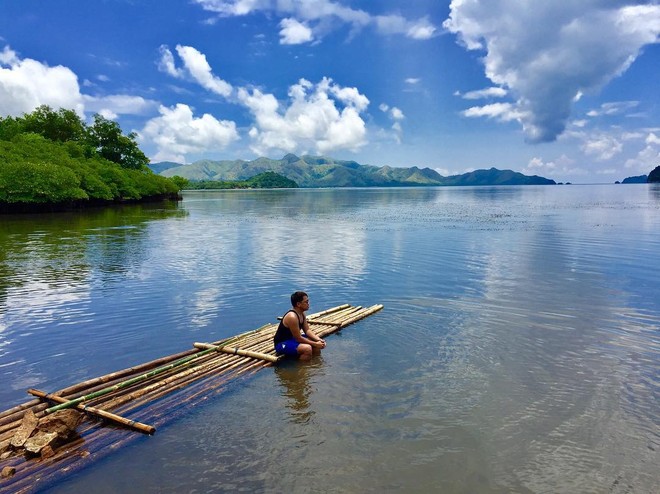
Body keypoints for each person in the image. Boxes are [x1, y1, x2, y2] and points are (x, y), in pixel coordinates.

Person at [274, 291, 326, 360]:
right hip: (282, 344)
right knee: (307, 349)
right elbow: (298, 338)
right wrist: (315, 344)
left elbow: (307, 330)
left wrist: (319, 340)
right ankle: (301, 368)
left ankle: (315, 364)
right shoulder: (292, 317)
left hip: (292, 339)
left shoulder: (302, 314)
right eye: (306, 302)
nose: (308, 304)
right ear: (298, 304)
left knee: (315, 341)